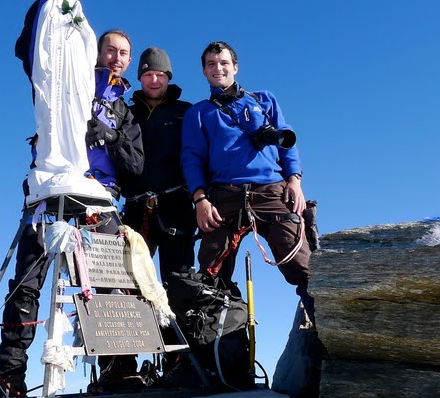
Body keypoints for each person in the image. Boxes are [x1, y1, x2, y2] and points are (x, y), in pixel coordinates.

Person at [0, 26, 143, 398]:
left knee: (112, 282)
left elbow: (135, 167)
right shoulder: (66, 83)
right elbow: (33, 56)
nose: (116, 58)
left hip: (98, 198)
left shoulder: (124, 112)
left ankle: (119, 370)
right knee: (26, 282)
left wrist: (112, 137)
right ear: (96, 52)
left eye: (123, 53)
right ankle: (9, 376)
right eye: (110, 50)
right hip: (50, 191)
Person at [180, 41, 313, 314]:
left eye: (224, 63)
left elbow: (286, 141)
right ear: (204, 71)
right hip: (224, 195)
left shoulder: (264, 100)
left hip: (271, 190)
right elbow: (192, 158)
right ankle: (222, 336)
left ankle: (323, 327)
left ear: (236, 67)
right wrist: (200, 200)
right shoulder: (199, 113)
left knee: (302, 264)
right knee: (211, 274)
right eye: (211, 64)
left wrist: (294, 180)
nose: (218, 68)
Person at [120, 47, 196, 283]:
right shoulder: (127, 114)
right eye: (148, 74)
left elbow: (199, 155)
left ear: (168, 77)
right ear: (140, 78)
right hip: (136, 207)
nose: (154, 80)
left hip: (177, 206)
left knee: (179, 283)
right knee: (129, 281)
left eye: (160, 75)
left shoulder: (185, 112)